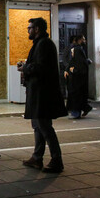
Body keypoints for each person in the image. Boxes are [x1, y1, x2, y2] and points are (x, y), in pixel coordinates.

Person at [17, 17, 67, 173]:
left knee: (44, 126)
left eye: (30, 28)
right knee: (38, 126)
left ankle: (56, 159)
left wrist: (25, 67)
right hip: (38, 91)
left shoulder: (44, 44)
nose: (28, 30)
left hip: (43, 93)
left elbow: (41, 67)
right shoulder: (41, 44)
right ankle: (37, 157)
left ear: (37, 29)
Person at [65, 36, 93, 119]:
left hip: (77, 77)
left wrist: (73, 70)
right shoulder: (77, 49)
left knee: (77, 95)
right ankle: (83, 108)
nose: (85, 41)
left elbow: (79, 62)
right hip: (76, 77)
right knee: (77, 94)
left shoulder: (79, 49)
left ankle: (77, 111)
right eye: (83, 39)